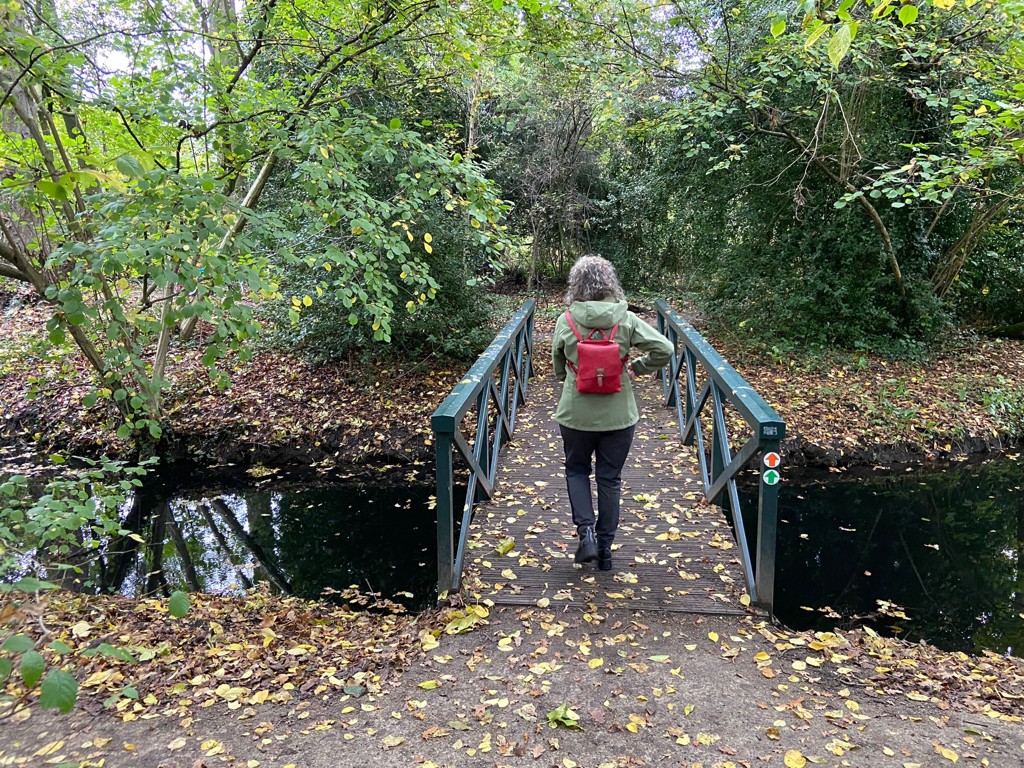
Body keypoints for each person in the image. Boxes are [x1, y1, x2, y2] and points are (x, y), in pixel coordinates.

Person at [552, 255, 675, 571]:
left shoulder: (566, 320)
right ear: (610, 284)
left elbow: (558, 369)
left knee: (577, 471)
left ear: (576, 285)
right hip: (619, 418)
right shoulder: (627, 320)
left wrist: (573, 381)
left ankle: (586, 535)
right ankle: (605, 551)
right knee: (610, 480)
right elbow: (665, 349)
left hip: (575, 416)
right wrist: (638, 367)